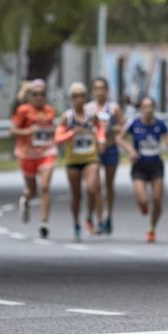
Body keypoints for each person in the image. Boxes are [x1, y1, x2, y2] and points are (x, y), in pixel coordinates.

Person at [54, 82, 105, 242]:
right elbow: (58, 138)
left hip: (90, 158)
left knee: (92, 188)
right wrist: (72, 133)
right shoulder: (67, 117)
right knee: (76, 196)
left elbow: (100, 127)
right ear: (71, 99)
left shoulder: (91, 115)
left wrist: (101, 139)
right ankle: (76, 225)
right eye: (76, 96)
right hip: (73, 160)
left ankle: (91, 217)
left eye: (82, 96)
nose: (79, 99)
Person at [117, 97, 168, 243]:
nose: (148, 110)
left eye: (150, 107)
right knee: (143, 200)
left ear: (154, 108)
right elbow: (119, 138)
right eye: (145, 107)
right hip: (139, 165)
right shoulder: (134, 123)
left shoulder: (160, 124)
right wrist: (130, 150)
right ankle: (144, 206)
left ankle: (152, 228)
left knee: (158, 199)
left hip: (155, 165)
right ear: (141, 109)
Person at [10, 79, 57, 238]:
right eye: (36, 95)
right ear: (31, 96)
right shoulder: (24, 110)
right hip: (27, 154)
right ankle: (26, 199)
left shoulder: (50, 111)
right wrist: (29, 131)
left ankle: (44, 222)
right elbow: (13, 130)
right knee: (33, 190)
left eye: (42, 94)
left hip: (46, 153)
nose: (39, 98)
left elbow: (52, 130)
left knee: (45, 187)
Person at [86, 78, 124, 235]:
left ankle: (109, 215)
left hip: (110, 148)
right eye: (96, 88)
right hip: (94, 151)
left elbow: (123, 126)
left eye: (102, 88)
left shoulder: (114, 108)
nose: (99, 91)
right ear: (93, 90)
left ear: (107, 90)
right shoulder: (88, 108)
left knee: (109, 185)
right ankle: (98, 219)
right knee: (95, 186)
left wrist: (111, 128)